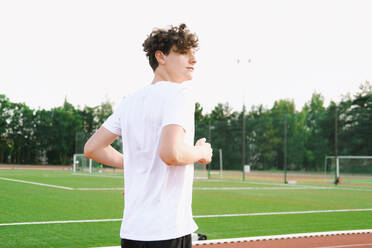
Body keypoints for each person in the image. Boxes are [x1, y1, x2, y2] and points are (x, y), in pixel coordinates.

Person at [84, 23, 213, 248]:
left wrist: (135, 164)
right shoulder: (179, 94)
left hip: (133, 233)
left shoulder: (130, 101)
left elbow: (93, 148)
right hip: (167, 231)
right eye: (183, 53)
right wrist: (202, 151)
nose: (193, 60)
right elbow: (171, 153)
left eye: (194, 54)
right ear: (161, 57)